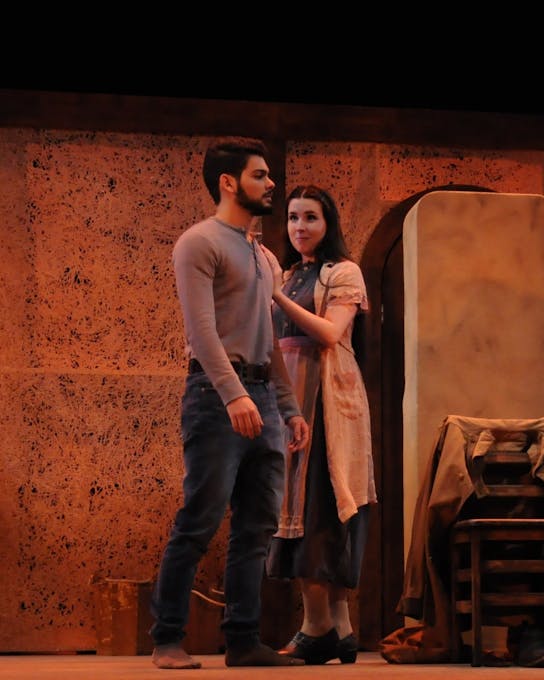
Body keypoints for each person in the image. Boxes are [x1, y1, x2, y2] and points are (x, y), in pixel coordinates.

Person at [149, 137, 310, 669]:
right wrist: (233, 394)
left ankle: (242, 640)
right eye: (259, 175)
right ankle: (167, 639)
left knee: (257, 526)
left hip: (262, 395)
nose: (270, 183)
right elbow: (201, 332)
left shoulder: (265, 257)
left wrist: (289, 407)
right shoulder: (198, 243)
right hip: (215, 395)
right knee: (200, 517)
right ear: (228, 182)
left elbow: (270, 340)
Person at [261, 185, 377, 665]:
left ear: (328, 223)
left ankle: (317, 628)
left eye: (310, 217)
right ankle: (340, 630)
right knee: (297, 503)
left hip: (328, 399)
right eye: (293, 218)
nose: (300, 227)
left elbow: (330, 332)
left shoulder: (342, 272)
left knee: (323, 506)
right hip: (291, 398)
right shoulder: (290, 275)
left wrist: (273, 295)